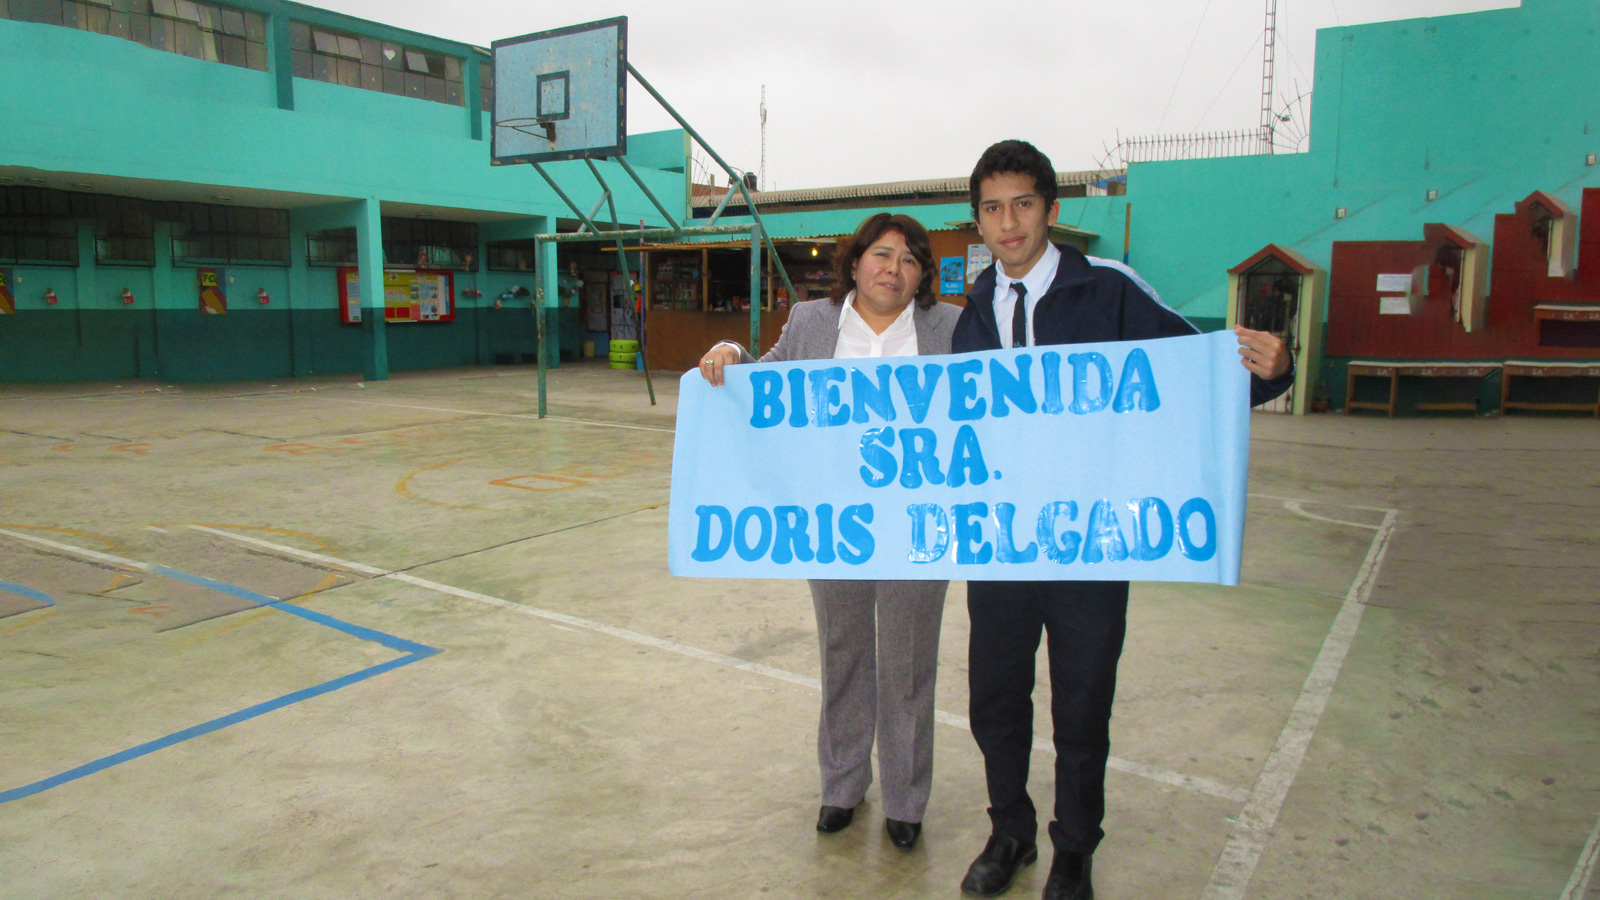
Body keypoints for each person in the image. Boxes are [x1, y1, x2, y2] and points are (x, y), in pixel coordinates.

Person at [951, 140, 1292, 900]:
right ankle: (1008, 829)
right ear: (977, 220)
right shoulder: (970, 310)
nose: (1008, 224)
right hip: (1001, 547)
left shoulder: (1109, 290)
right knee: (995, 699)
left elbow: (1191, 374)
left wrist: (1272, 374)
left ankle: (1074, 848)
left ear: (1052, 211)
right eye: (992, 209)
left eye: (1023, 205)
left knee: (1082, 701)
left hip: (1091, 543)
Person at [697, 213, 963, 850]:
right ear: (855, 261)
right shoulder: (812, 322)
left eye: (908, 259)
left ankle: (905, 797)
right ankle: (842, 785)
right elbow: (766, 382)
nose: (893, 269)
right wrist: (732, 354)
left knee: (908, 663)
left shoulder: (950, 327)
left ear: (922, 274)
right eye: (882, 254)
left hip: (916, 521)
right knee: (842, 652)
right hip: (831, 522)